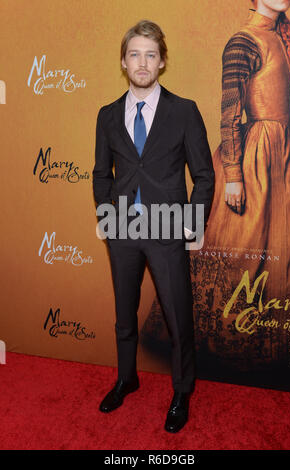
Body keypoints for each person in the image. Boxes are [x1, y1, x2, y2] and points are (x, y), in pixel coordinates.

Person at [142, 0, 290, 374]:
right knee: (241, 257)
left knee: (287, 252)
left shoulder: (286, 38)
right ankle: (224, 360)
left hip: (285, 159)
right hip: (253, 159)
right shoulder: (243, 41)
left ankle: (271, 355)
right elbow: (230, 111)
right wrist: (233, 175)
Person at [93, 20, 214, 433]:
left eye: (150, 54)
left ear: (162, 62)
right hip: (122, 230)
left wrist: (191, 223)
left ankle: (182, 390)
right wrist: (104, 214)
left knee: (178, 317)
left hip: (168, 230)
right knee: (124, 314)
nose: (142, 62)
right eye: (134, 54)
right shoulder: (107, 116)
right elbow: (100, 174)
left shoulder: (184, 111)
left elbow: (204, 175)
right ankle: (127, 378)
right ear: (123, 63)